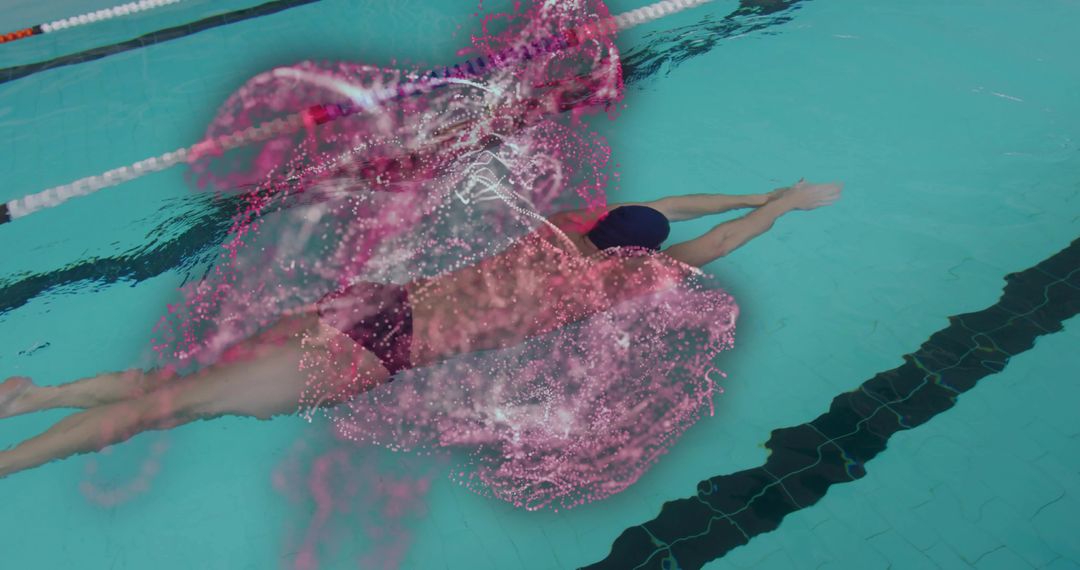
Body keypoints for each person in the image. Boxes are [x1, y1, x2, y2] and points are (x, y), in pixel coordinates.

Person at [0, 179, 839, 479]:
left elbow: (673, 203)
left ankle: (42, 397)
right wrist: (781, 207)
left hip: (368, 307)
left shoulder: (557, 228)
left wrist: (756, 189)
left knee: (188, 390)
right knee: (177, 407)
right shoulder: (606, 285)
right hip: (380, 350)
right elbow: (711, 241)